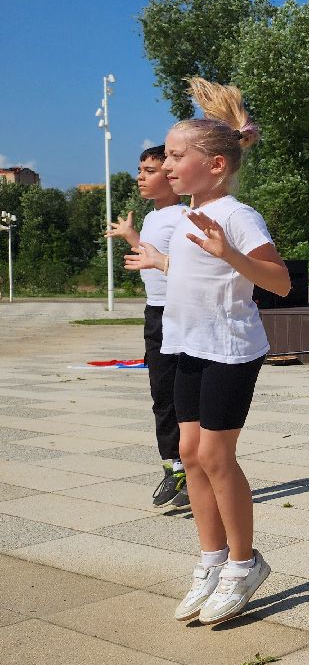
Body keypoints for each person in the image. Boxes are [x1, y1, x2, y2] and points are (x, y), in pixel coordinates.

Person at [124, 78, 292, 626]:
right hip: (185, 346)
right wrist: (160, 263)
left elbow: (280, 282)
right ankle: (211, 560)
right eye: (166, 158)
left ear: (215, 164)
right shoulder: (180, 216)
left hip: (229, 349)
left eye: (176, 156)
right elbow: (198, 276)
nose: (166, 166)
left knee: (218, 457)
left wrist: (231, 253)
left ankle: (245, 565)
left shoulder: (237, 216)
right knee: (192, 454)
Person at [106, 145, 189, 508]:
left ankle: (191, 468)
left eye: (149, 170)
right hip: (155, 313)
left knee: (182, 396)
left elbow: (189, 268)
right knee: (161, 394)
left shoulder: (184, 216)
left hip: (182, 313)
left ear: (171, 176)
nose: (141, 176)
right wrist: (131, 236)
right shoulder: (155, 216)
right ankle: (174, 466)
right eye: (140, 169)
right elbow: (153, 258)